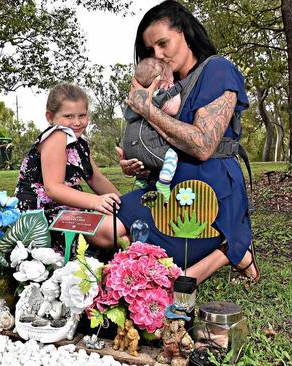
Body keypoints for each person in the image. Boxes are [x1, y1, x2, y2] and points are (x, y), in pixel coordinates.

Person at [96, 0, 259, 285]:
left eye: (163, 43)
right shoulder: (164, 87)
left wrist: (147, 109)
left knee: (174, 278)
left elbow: (203, 145)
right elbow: (165, 148)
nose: (157, 55)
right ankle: (225, 249)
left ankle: (230, 246)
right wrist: (140, 165)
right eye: (150, 50)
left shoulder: (217, 70)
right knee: (103, 229)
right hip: (169, 185)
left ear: (183, 31)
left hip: (210, 184)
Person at [14, 83, 121, 252]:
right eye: (69, 116)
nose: (77, 122)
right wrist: (96, 201)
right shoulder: (56, 136)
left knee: (124, 224)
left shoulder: (80, 142)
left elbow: (95, 177)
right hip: (44, 215)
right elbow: (53, 188)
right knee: (114, 230)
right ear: (50, 117)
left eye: (82, 115)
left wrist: (121, 202)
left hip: (69, 208)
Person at [125, 57, 181, 203]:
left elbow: (128, 115)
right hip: (146, 144)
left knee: (143, 163)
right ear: (162, 83)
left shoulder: (134, 99)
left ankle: (141, 181)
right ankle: (163, 184)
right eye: (171, 81)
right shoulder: (158, 96)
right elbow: (173, 109)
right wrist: (176, 91)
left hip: (130, 149)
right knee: (171, 156)